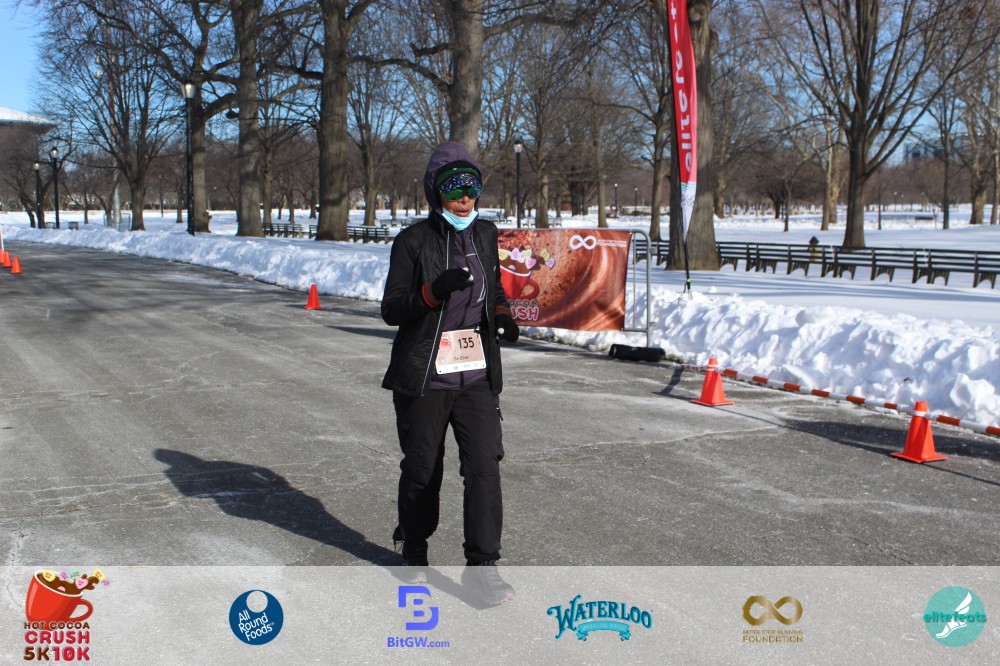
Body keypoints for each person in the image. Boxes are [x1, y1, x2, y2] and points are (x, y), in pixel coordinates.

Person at [381, 141, 519, 605]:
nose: (464, 197)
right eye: (453, 187)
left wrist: (501, 314)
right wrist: (432, 292)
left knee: (484, 467)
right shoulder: (413, 241)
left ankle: (483, 568)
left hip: (475, 374)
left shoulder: (485, 234)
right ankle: (415, 551)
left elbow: (493, 290)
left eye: (471, 187)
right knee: (423, 469)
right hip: (425, 375)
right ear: (435, 191)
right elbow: (392, 309)